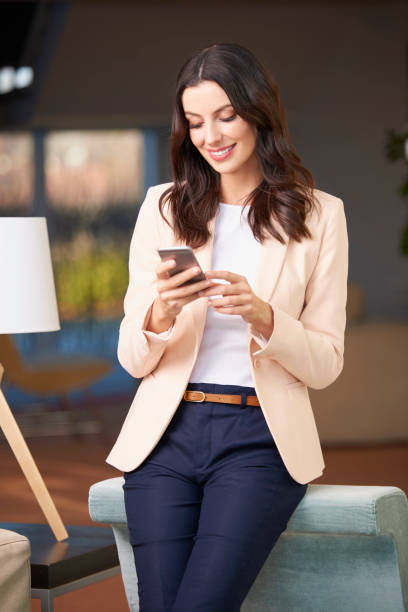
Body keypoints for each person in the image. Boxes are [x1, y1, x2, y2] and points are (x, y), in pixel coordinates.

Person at [107, 42, 348, 612]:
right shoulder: (162, 207)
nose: (210, 136)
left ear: (259, 113)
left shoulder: (319, 215)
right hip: (165, 436)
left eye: (225, 116)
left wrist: (265, 316)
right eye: (195, 122)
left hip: (258, 441)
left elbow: (326, 363)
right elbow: (133, 358)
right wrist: (160, 315)